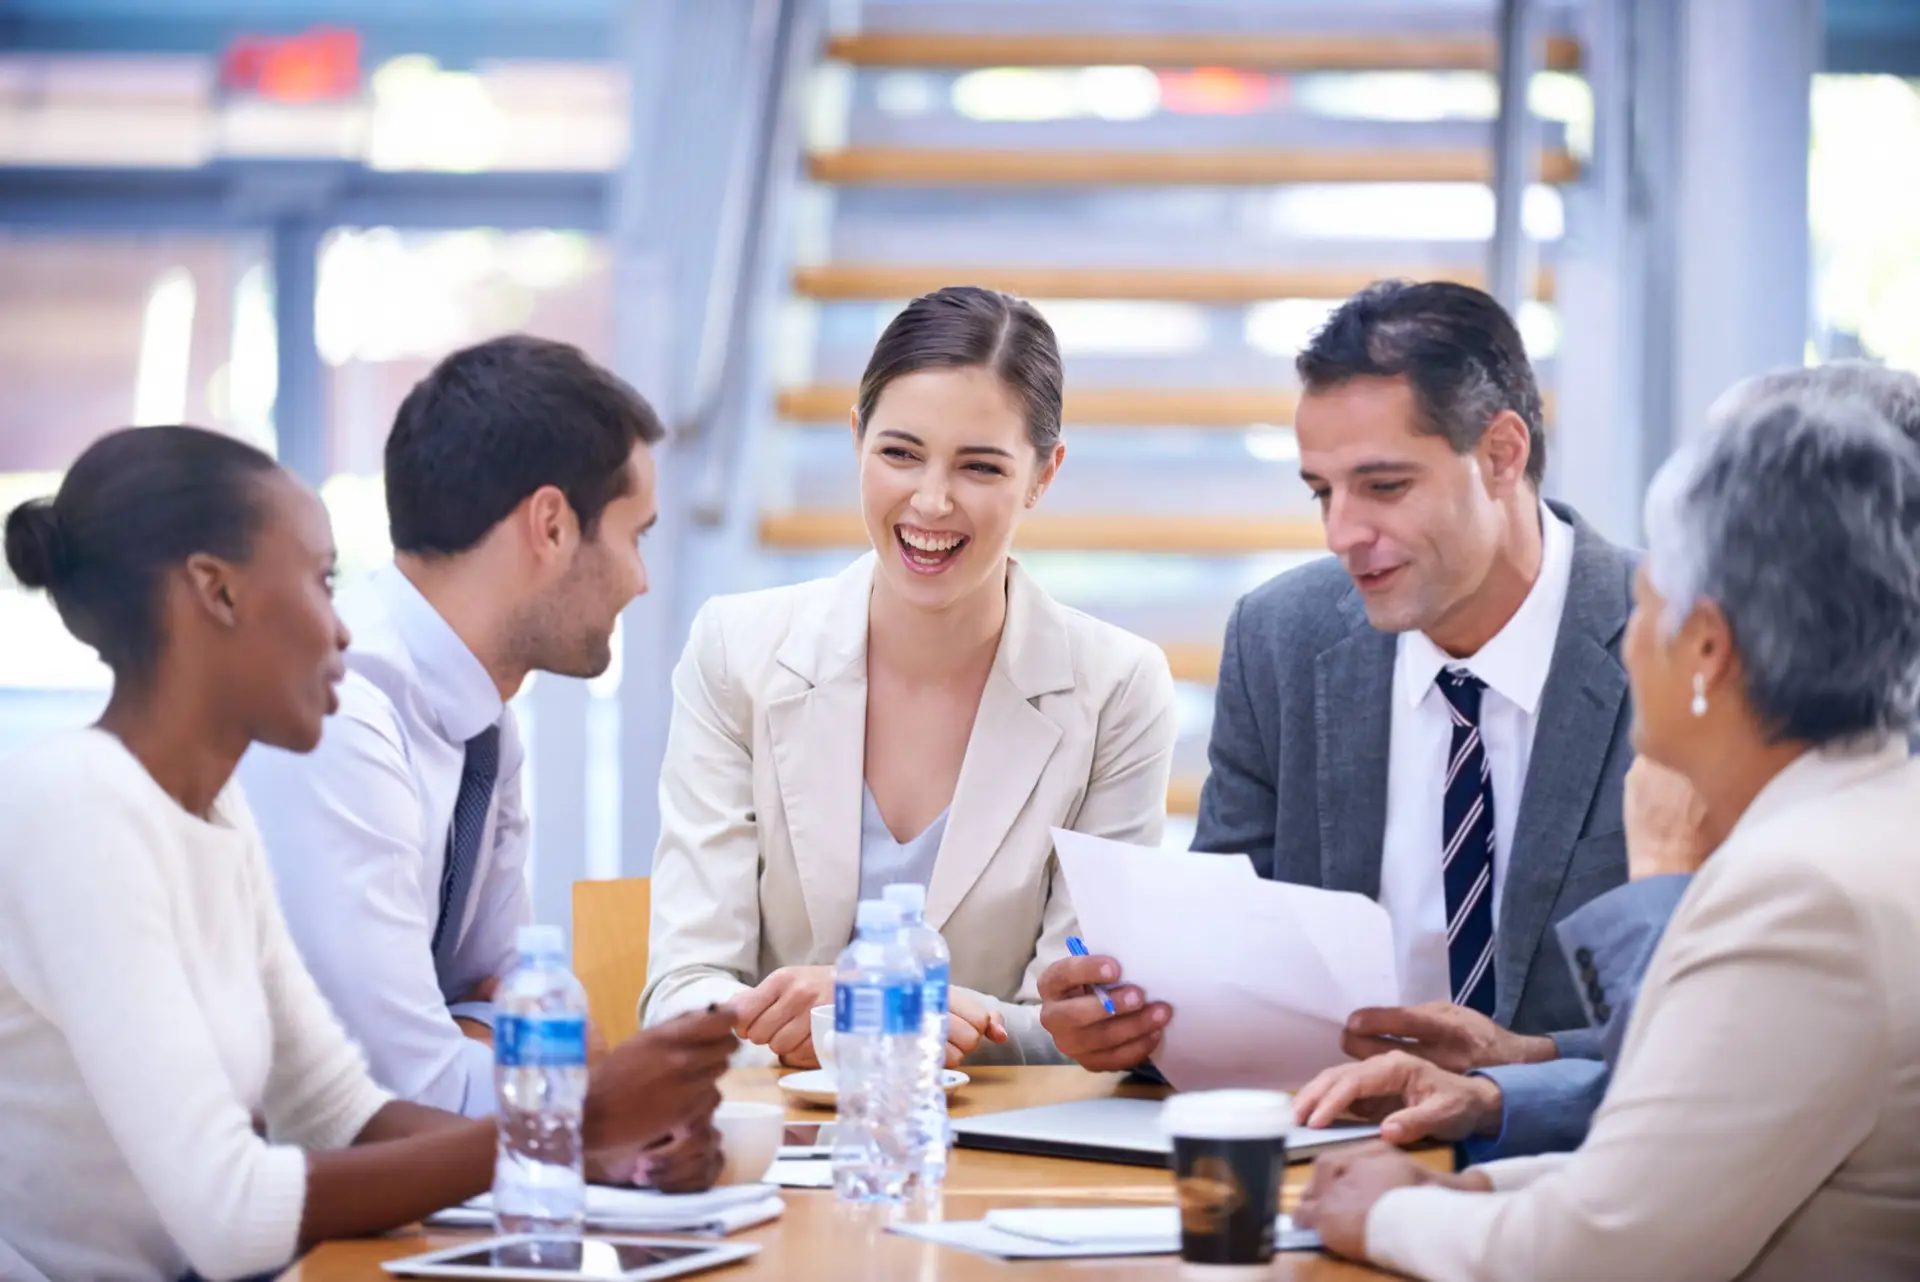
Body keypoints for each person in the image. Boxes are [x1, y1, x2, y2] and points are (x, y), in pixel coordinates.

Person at [0, 426, 735, 1282]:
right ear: (218, 592)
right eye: (321, 582)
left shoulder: (213, 814)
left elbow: (341, 1111)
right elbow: (232, 1216)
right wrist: (568, 1127)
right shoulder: (76, 808)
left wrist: (591, 1153)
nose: (343, 631)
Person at [1296, 384, 1920, 1280]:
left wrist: (1388, 1214)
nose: (1627, 639)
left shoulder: (1800, 894)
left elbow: (1604, 1254)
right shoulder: (1869, 822)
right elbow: (1683, 1168)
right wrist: (1480, 1193)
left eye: (1649, 603)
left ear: (1706, 649)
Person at [1040, 280, 1635, 1076]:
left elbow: (1726, 1029)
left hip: (1586, 1169)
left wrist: (1522, 1067)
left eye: (1384, 486)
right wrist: (1131, 1027)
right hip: (1333, 1151)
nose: (1342, 533)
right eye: (1323, 491)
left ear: (1502, 454)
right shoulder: (1281, 640)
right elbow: (1222, 976)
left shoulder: (1675, 640)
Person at [642, 286, 1178, 1067]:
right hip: (780, 1138)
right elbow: (684, 989)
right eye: (899, 453)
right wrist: (875, 1019)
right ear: (856, 438)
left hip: (1003, 1148)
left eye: (981, 466)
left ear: (1043, 474)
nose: (931, 501)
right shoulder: (738, 651)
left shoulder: (1118, 687)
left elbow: (1078, 1017)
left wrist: (881, 1009)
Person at [238, 337, 687, 1156]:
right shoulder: (340, 715)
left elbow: (526, 1010)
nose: (640, 580)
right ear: (551, 526)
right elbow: (393, 1092)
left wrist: (494, 1042)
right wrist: (573, 1089)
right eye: (636, 536)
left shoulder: (484, 722)